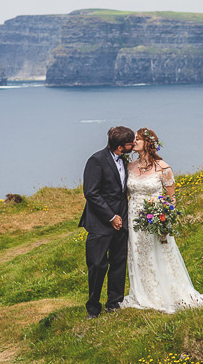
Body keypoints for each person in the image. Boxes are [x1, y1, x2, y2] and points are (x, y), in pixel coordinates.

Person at [120, 128, 203, 313]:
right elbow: (124, 195)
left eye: (137, 139)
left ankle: (166, 293)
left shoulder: (163, 168)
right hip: (134, 218)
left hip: (154, 218)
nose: (134, 142)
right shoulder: (129, 167)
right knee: (138, 255)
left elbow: (171, 198)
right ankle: (142, 293)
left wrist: (163, 217)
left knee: (159, 253)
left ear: (148, 143)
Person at [79, 126, 135, 319]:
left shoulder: (124, 160)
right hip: (100, 223)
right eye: (130, 143)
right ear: (120, 146)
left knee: (119, 263)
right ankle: (93, 308)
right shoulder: (96, 160)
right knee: (97, 265)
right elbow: (91, 193)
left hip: (122, 222)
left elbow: (120, 193)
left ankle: (114, 304)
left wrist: (122, 218)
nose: (133, 145)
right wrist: (111, 217)